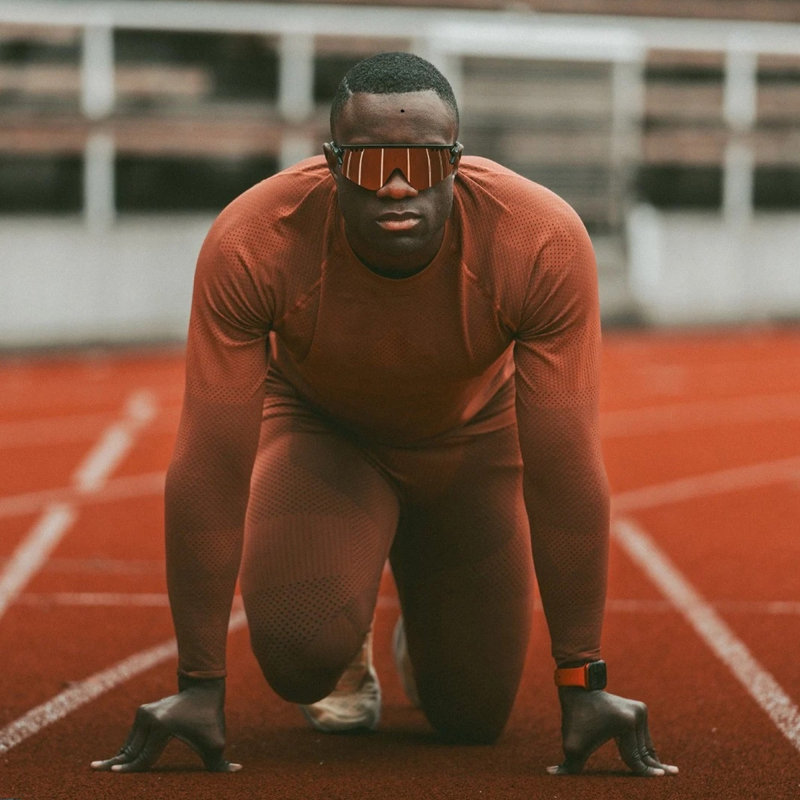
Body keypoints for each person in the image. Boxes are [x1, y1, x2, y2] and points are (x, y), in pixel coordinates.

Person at [91, 51, 677, 778]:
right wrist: (199, 682)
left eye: (423, 163)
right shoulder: (254, 240)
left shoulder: (539, 239)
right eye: (371, 164)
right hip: (327, 435)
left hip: (472, 443)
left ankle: (417, 618)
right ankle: (346, 625)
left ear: (456, 162)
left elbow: (565, 468)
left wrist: (582, 677)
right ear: (333, 164)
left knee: (471, 720)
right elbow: (210, 463)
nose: (398, 185)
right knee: (301, 654)